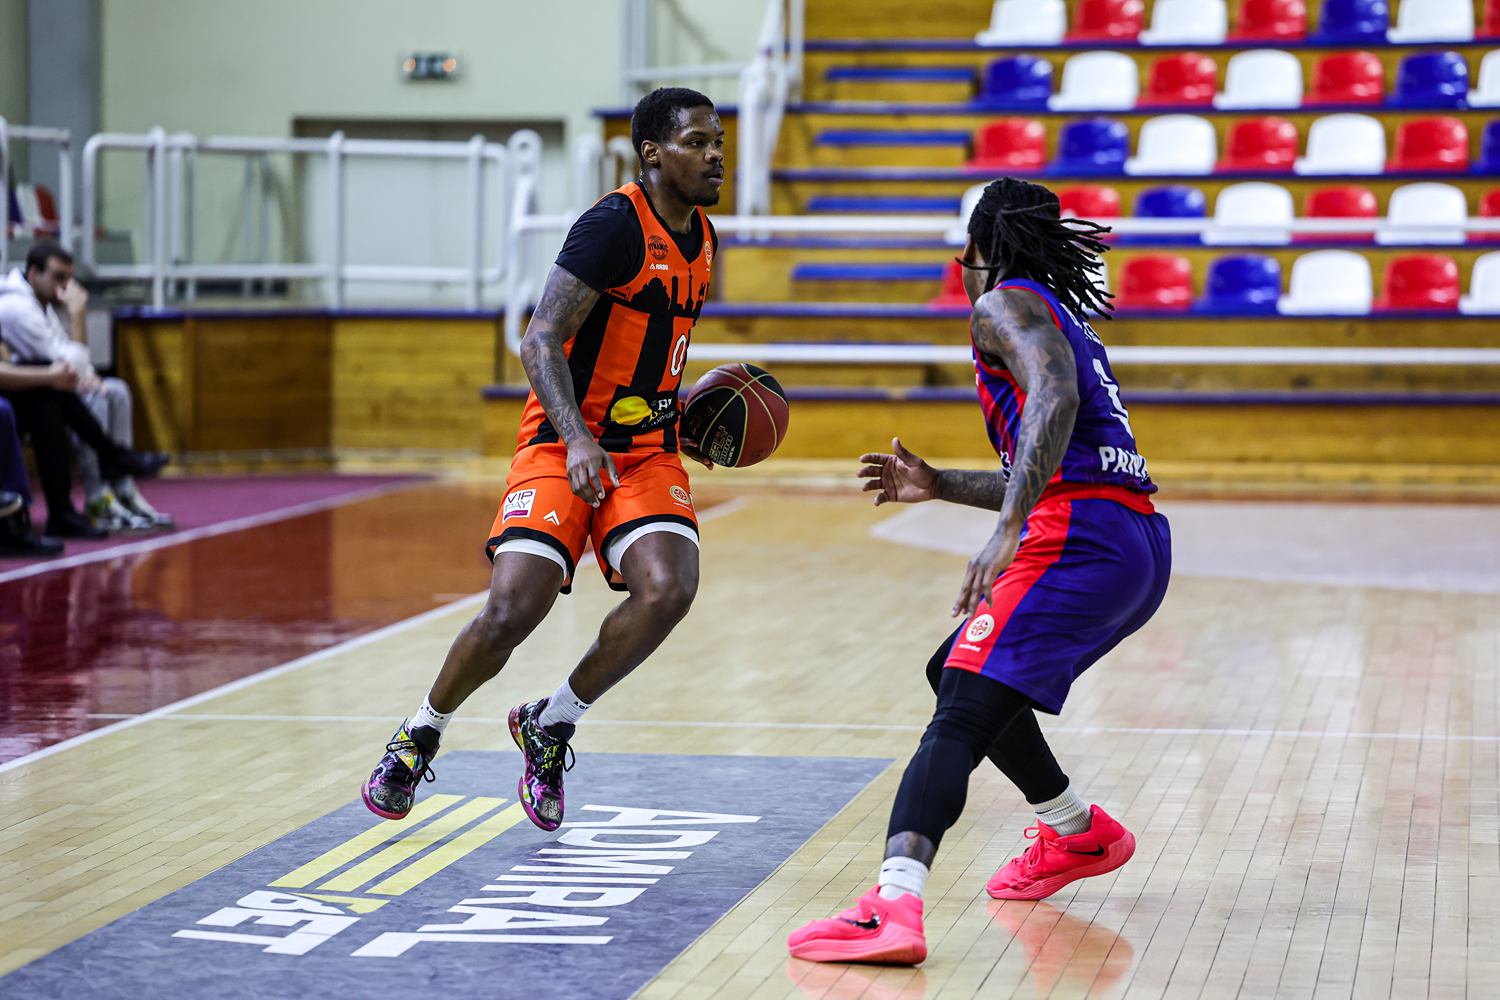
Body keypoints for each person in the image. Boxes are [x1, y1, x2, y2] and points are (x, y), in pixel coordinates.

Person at [787, 177, 1173, 965]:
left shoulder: (1002, 303)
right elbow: (1056, 457)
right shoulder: (1060, 316)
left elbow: (1054, 400)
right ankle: (1076, 831)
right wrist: (940, 485)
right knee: (953, 671)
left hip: (1081, 539)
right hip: (1131, 539)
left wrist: (1006, 531)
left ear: (979, 247)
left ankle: (893, 904)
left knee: (959, 714)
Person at [360, 87, 725, 830]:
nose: (715, 155)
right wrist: (579, 435)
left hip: (645, 450)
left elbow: (650, 350)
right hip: (564, 441)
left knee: (669, 589)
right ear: (653, 154)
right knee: (512, 609)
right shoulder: (613, 226)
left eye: (718, 141)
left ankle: (551, 724)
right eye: (697, 142)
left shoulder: (705, 237)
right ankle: (420, 733)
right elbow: (540, 338)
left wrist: (679, 416)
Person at [0, 243, 173, 533]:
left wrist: (88, 376)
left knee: (114, 390)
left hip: (33, 388)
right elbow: (67, 365)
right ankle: (98, 495)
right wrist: (78, 313)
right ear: (33, 274)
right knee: (62, 397)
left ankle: (121, 487)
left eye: (69, 279)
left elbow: (71, 362)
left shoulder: (38, 301)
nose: (66, 288)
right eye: (58, 277)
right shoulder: (17, 308)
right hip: (24, 393)